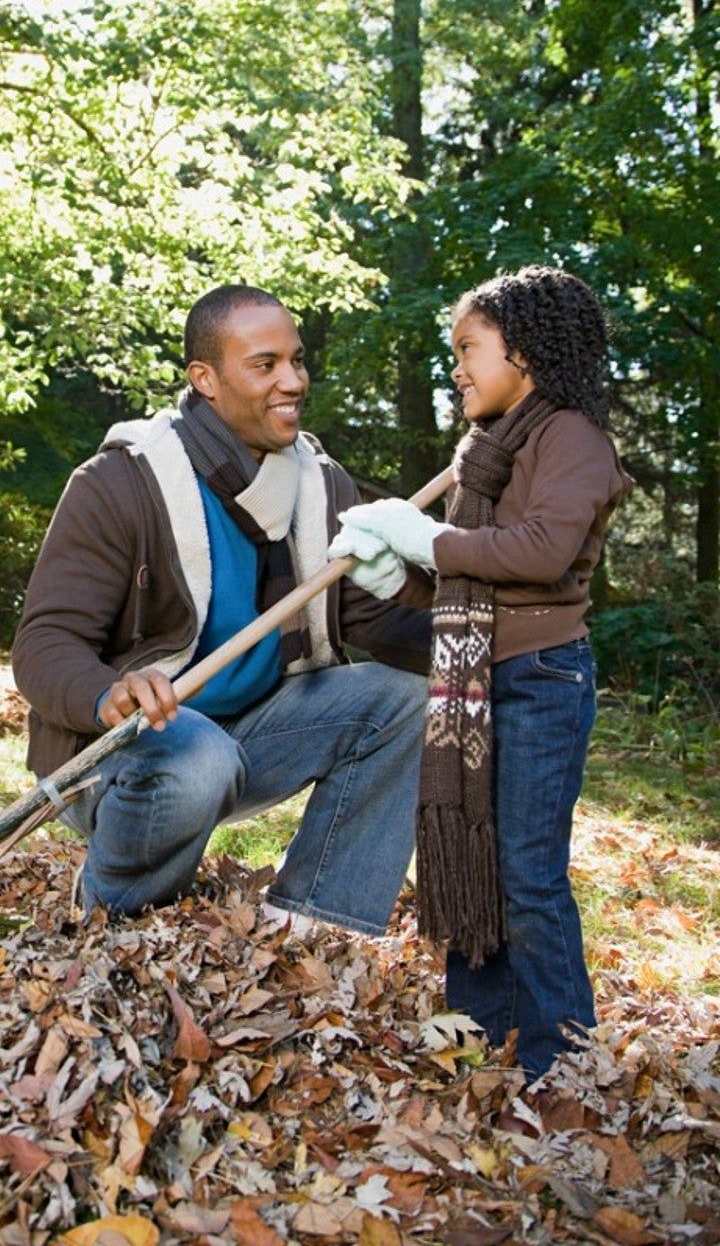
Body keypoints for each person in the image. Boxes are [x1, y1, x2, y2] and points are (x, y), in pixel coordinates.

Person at [12, 285, 433, 938]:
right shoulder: (121, 484)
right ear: (204, 379)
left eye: (296, 360)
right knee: (197, 754)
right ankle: (114, 920)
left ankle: (317, 922)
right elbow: (44, 643)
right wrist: (108, 693)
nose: (293, 380)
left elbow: (370, 619)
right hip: (118, 752)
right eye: (265, 365)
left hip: (251, 734)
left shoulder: (321, 484)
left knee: (407, 702)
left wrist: (485, 623)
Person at [331, 265, 630, 1084]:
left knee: (528, 874)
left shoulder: (570, 436)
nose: (456, 368)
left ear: (525, 353)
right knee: (473, 858)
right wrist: (398, 572)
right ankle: (470, 1038)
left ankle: (560, 1062)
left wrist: (422, 537)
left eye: (469, 349)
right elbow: (472, 577)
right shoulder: (490, 450)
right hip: (477, 677)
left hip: (540, 678)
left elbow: (540, 553)